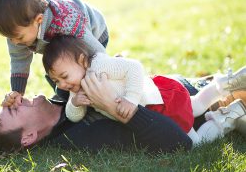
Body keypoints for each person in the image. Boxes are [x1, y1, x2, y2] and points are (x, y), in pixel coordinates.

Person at [42, 36, 246, 145]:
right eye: (56, 80)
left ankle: (226, 118)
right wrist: (74, 102)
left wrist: (130, 99)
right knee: (195, 105)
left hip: (158, 105)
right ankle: (226, 84)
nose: (61, 85)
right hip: (157, 100)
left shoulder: (99, 66)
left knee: (195, 144)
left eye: (64, 76)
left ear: (81, 60)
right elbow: (74, 116)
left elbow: (134, 67)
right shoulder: (76, 88)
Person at [0, 72, 246, 154]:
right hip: (206, 107)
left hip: (186, 85)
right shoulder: (82, 136)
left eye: (10, 102)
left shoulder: (61, 88)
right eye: (12, 112)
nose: (15, 101)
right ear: (28, 137)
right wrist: (115, 108)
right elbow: (178, 143)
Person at [0, 0, 109, 98]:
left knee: (84, 76)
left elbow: (98, 53)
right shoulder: (17, 31)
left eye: (19, 38)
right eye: (10, 38)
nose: (15, 42)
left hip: (93, 36)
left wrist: (108, 72)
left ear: (39, 19)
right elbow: (19, 59)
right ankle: (65, 96)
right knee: (57, 70)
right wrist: (17, 92)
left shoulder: (67, 21)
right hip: (57, 43)